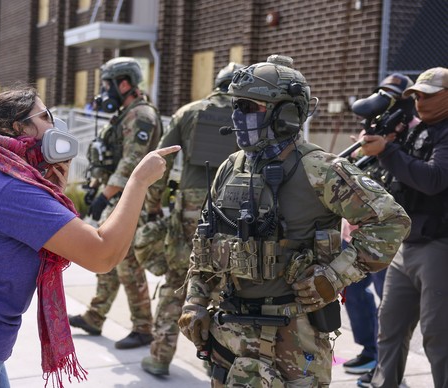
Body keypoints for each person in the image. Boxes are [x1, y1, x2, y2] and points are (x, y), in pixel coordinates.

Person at [0, 85, 180, 387]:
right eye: (46, 116)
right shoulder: (12, 189)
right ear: (17, 127)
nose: (55, 125)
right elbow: (102, 254)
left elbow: (52, 232)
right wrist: (137, 181)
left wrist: (54, 191)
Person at [177, 55, 411, 387]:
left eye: (249, 107)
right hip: (229, 332)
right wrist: (196, 301)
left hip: (294, 338)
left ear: (285, 113)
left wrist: (334, 276)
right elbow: (205, 243)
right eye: (236, 106)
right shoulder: (231, 167)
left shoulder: (321, 170)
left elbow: (391, 221)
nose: (237, 116)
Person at [138, 62, 244, 376]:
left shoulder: (190, 111)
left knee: (177, 280)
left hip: (191, 208)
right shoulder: (254, 114)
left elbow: (161, 161)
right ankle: (224, 363)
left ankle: (160, 356)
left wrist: (154, 205)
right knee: (231, 283)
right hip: (238, 207)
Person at [357, 67, 448, 388]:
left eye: (430, 95)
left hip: (439, 245)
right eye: (417, 95)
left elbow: (434, 179)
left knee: (439, 338)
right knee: (389, 329)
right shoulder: (415, 129)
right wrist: (384, 145)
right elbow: (399, 177)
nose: (421, 101)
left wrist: (388, 150)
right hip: (407, 244)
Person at [69, 57, 163, 349]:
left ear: (124, 84)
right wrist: (97, 187)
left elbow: (132, 162)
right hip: (116, 196)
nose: (104, 90)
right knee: (108, 259)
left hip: (132, 199)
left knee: (127, 263)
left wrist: (103, 196)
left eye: (108, 84)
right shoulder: (126, 113)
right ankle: (95, 316)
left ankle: (144, 327)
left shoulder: (142, 115)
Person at [341, 73, 419, 375]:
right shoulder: (374, 127)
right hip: (355, 228)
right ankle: (368, 350)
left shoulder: (415, 132)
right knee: (354, 294)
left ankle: (387, 366)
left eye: (391, 96)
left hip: (387, 233)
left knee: (388, 302)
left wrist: (387, 148)